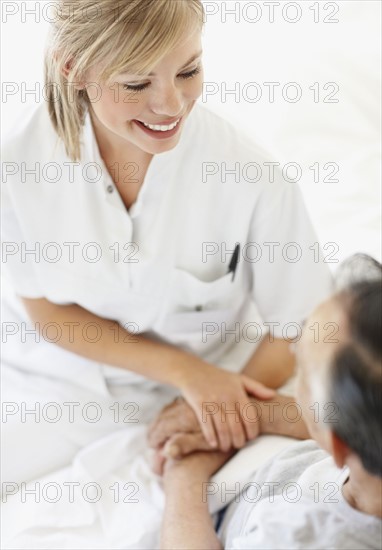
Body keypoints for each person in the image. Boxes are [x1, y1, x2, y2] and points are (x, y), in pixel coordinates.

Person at [1, 0, 332, 486]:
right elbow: (47, 311)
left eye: (189, 71)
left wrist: (216, 400)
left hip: (224, 372)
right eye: (136, 84)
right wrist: (184, 373)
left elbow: (301, 328)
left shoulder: (251, 177)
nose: (171, 105)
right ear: (73, 69)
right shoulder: (17, 165)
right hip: (59, 379)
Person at [148, 258, 382, 549]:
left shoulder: (291, 537)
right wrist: (256, 415)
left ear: (339, 446)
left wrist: (184, 479)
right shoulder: (364, 458)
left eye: (303, 368)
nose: (294, 355)